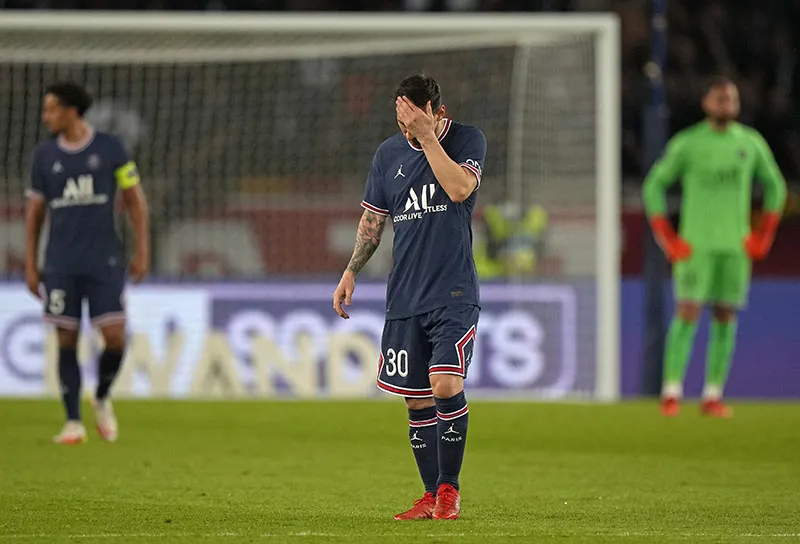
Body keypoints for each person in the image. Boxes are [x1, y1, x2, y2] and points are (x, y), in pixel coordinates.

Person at [333, 74, 486, 520]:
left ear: (436, 110)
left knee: (444, 384)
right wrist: (349, 271)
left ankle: (450, 491)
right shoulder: (388, 154)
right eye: (402, 122)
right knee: (416, 399)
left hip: (453, 290)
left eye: (414, 120)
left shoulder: (466, 139)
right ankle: (428, 494)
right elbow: (372, 222)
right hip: (404, 295)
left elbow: (458, 188)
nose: (407, 131)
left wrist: (426, 136)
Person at [642, 76, 787, 417]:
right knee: (687, 313)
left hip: (735, 248)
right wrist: (669, 239)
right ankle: (672, 392)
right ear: (706, 102)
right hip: (696, 247)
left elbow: (776, 187)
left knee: (725, 316)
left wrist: (763, 235)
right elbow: (654, 186)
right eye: (720, 99)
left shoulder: (750, 144)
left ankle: (712, 395)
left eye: (731, 99)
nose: (726, 104)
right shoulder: (689, 144)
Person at [25, 82, 150, 444]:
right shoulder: (44, 157)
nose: (46, 116)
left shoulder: (110, 149)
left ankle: (101, 395)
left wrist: (142, 250)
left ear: (71, 111)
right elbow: (35, 214)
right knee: (66, 338)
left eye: (51, 109)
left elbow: (135, 200)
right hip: (61, 262)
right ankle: (72, 422)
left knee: (114, 338)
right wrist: (32, 265)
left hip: (104, 260)